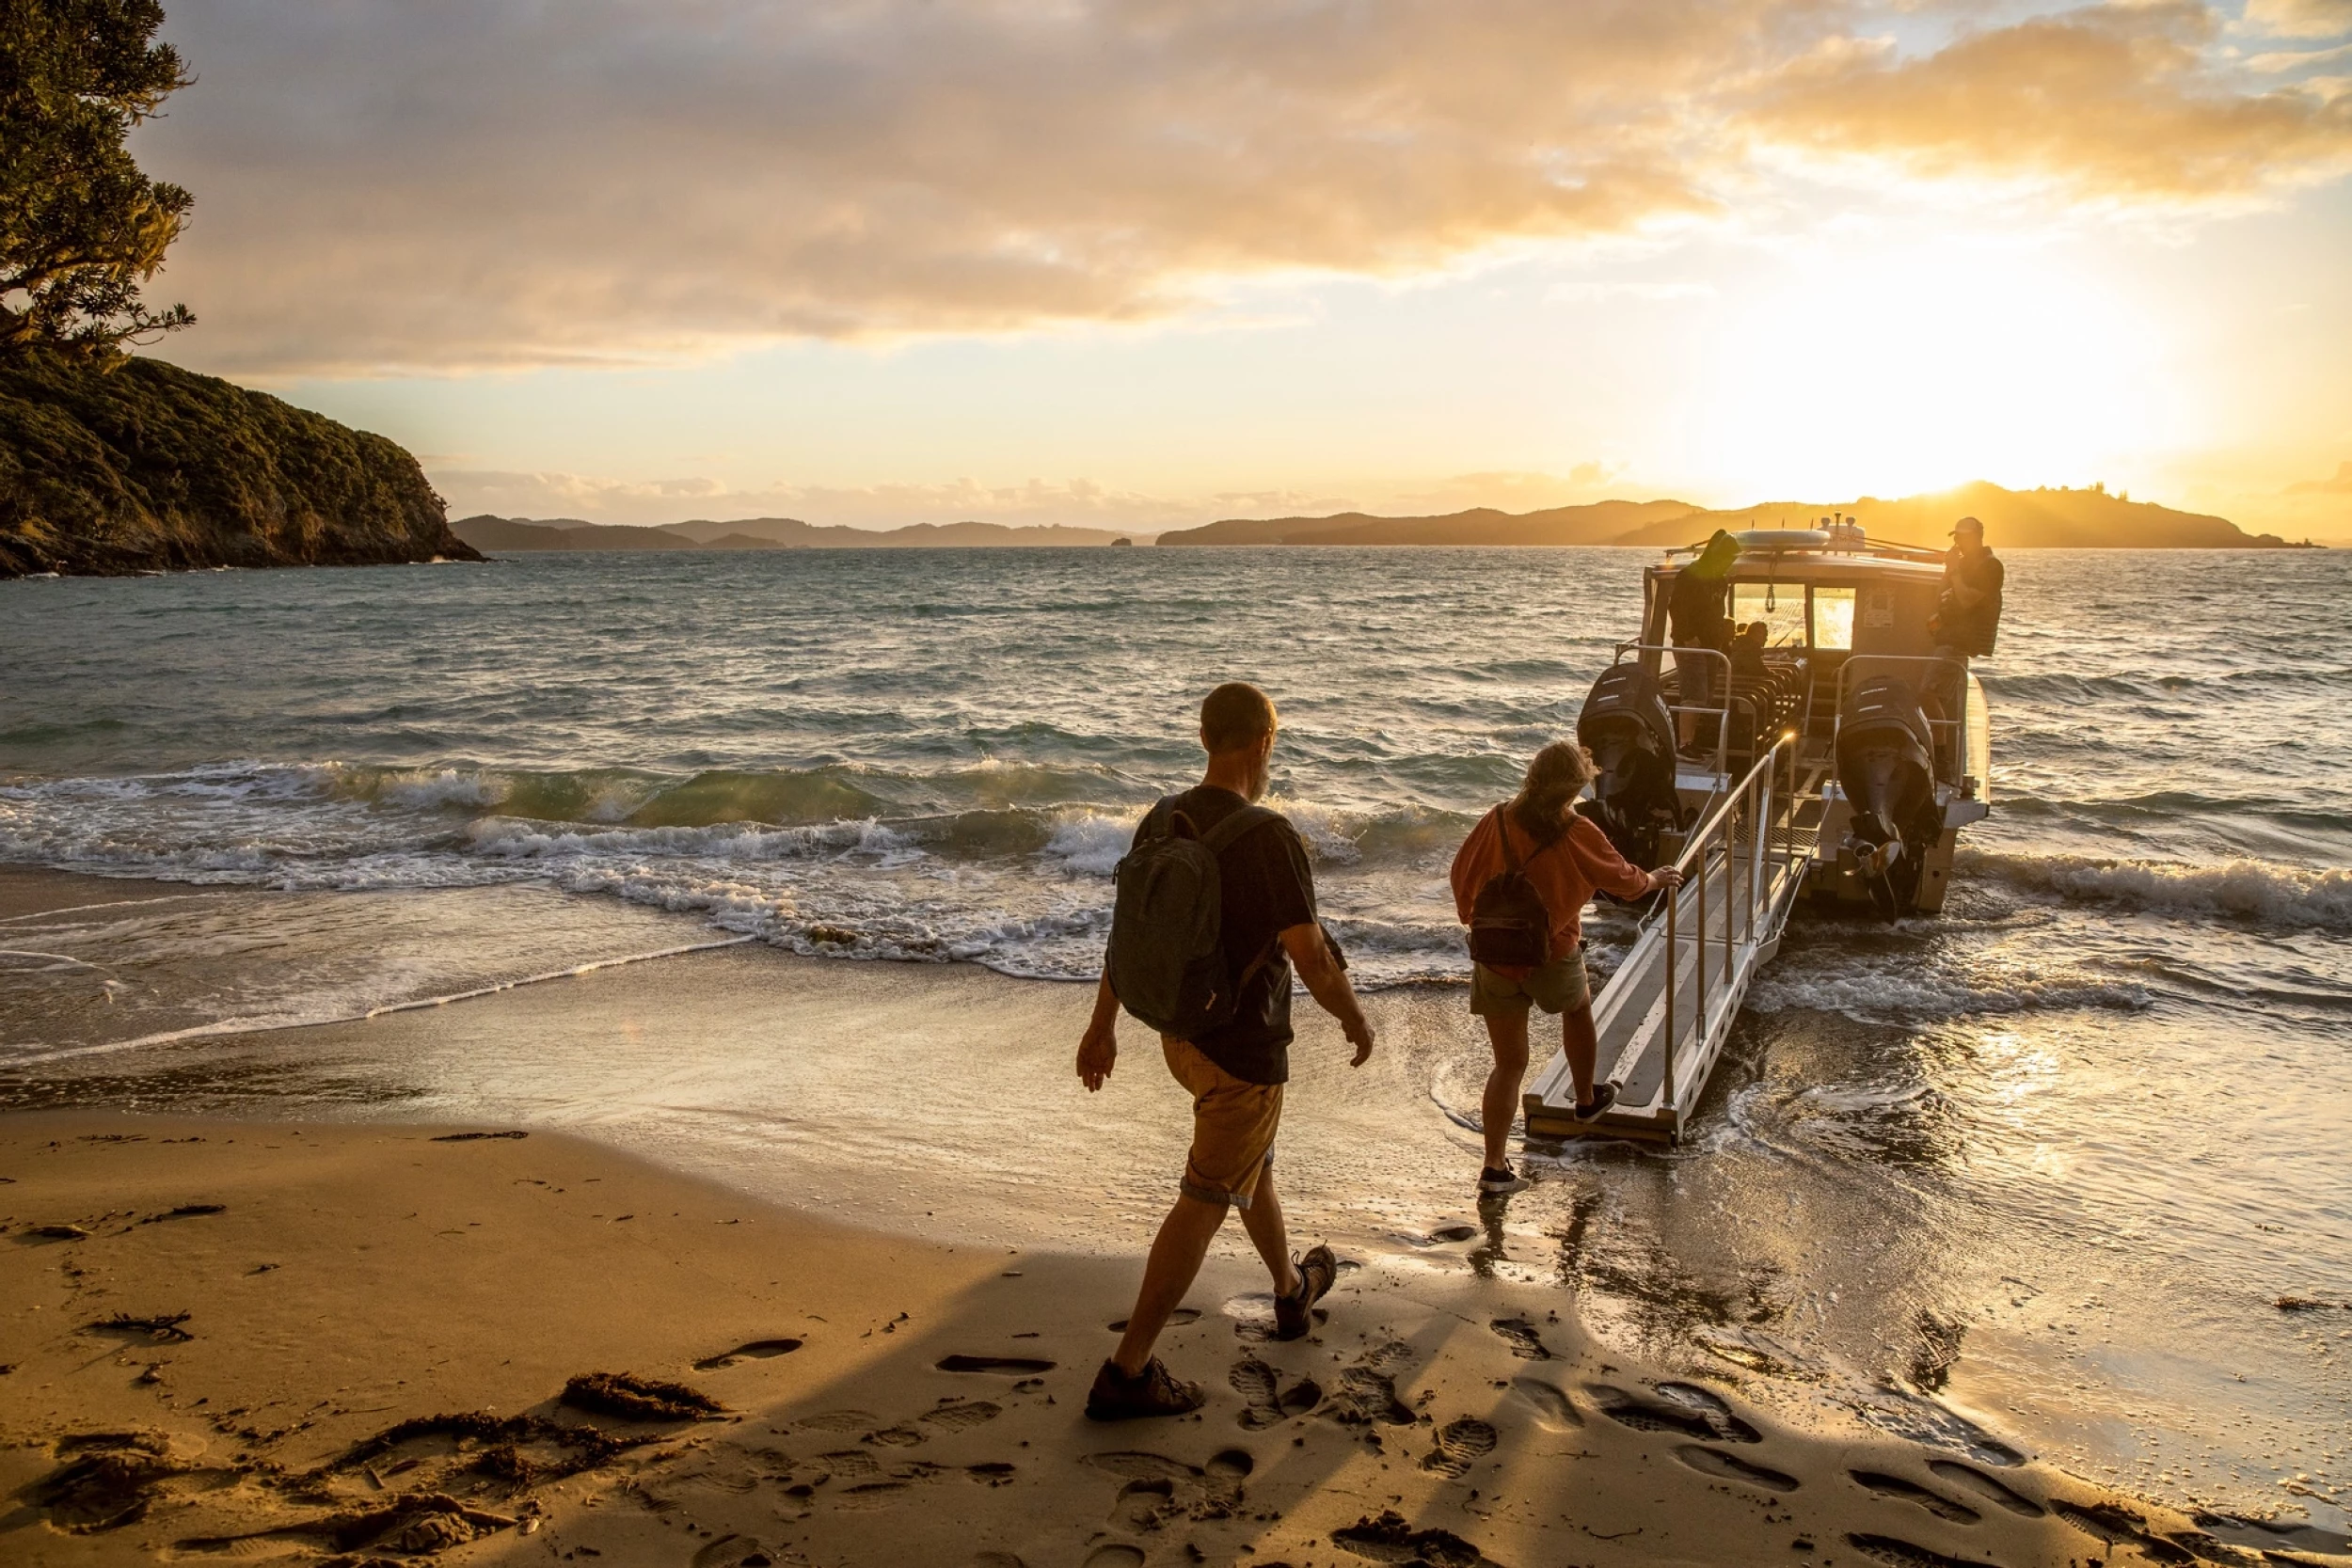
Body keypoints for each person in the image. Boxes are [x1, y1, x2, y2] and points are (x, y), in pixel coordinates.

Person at [1076, 681, 1376, 1420]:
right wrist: (1355, 1019)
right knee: (1206, 1197)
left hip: (1178, 1035)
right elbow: (1312, 958)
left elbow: (1130, 938)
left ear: (1207, 737)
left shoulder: (1159, 817)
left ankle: (1289, 1294)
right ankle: (1128, 1369)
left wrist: (1102, 1025)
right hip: (1242, 1055)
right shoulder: (1270, 836)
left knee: (1251, 1164)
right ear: (1262, 742)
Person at [1449, 741, 1683, 1195]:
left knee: (1508, 1065)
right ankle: (1585, 1098)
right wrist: (1655, 878)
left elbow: (1462, 876)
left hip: (1494, 955)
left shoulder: (1497, 819)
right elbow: (1625, 882)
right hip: (1551, 953)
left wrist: (1475, 919)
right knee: (1577, 1009)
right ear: (1574, 786)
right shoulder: (1577, 829)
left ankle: (1494, 1168)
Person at [1668, 530, 1741, 750]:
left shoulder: (1720, 581)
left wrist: (1723, 638)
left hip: (1712, 646)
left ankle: (1692, 740)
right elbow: (1677, 608)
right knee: (1694, 694)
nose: (1730, 563)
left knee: (1706, 697)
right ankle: (1684, 743)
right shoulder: (1690, 575)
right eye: (1728, 558)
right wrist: (1688, 637)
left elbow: (1718, 611)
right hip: (1692, 646)